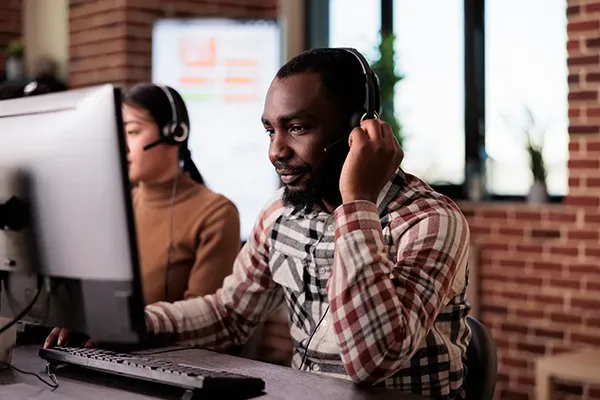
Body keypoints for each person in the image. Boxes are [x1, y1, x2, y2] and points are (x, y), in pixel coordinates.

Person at [47, 50, 471, 398]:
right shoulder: (280, 214)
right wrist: (128, 325)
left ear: (357, 130)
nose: (276, 151)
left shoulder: (430, 220)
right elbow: (229, 314)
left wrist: (355, 202)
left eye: (297, 128)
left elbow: (372, 361)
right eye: (270, 130)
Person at [45, 83, 241, 340]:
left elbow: (205, 321)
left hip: (168, 364)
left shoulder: (216, 213)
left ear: (174, 133)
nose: (121, 144)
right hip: (100, 352)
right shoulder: (114, 207)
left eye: (132, 131)